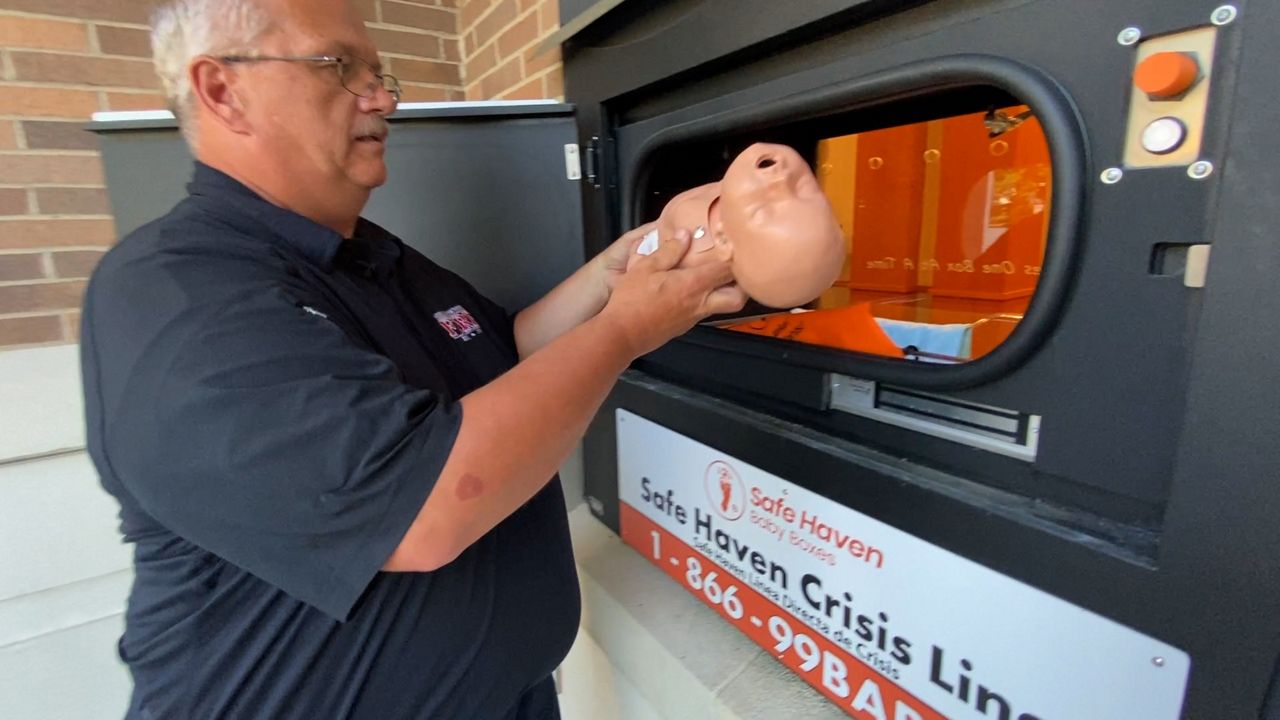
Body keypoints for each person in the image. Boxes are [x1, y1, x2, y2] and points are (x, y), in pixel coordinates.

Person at [79, 1, 745, 718]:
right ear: (222, 91)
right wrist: (626, 328)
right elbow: (419, 512)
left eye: (378, 72)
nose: (384, 97)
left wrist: (612, 277)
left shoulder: (373, 255)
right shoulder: (178, 294)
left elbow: (505, 356)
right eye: (340, 67)